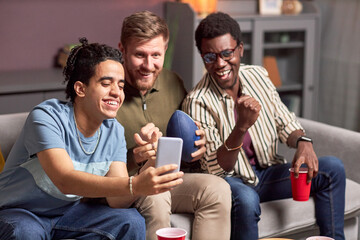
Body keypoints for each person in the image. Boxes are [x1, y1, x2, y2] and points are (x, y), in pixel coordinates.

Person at [182, 12, 346, 240]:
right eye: (210, 57)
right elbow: (216, 169)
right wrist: (241, 127)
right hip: (231, 181)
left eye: (227, 53)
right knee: (247, 199)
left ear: (240, 49)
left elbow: (283, 121)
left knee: (332, 169)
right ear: (202, 57)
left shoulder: (258, 76)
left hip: (266, 174)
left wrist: (303, 141)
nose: (220, 64)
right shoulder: (197, 101)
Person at [0, 38, 184, 240]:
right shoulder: (46, 116)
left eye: (121, 86)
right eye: (106, 83)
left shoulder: (113, 131)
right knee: (25, 232)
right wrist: (135, 184)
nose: (116, 92)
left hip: (68, 212)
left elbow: (116, 200)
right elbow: (64, 179)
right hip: (20, 212)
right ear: (80, 89)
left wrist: (150, 164)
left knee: (130, 221)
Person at [116, 11, 232, 240]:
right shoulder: (109, 88)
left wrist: (202, 140)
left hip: (171, 176)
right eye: (140, 55)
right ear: (122, 49)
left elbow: (190, 129)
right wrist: (136, 158)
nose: (148, 65)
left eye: (156, 55)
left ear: (165, 51)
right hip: (130, 184)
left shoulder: (173, 82)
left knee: (218, 189)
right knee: (156, 196)